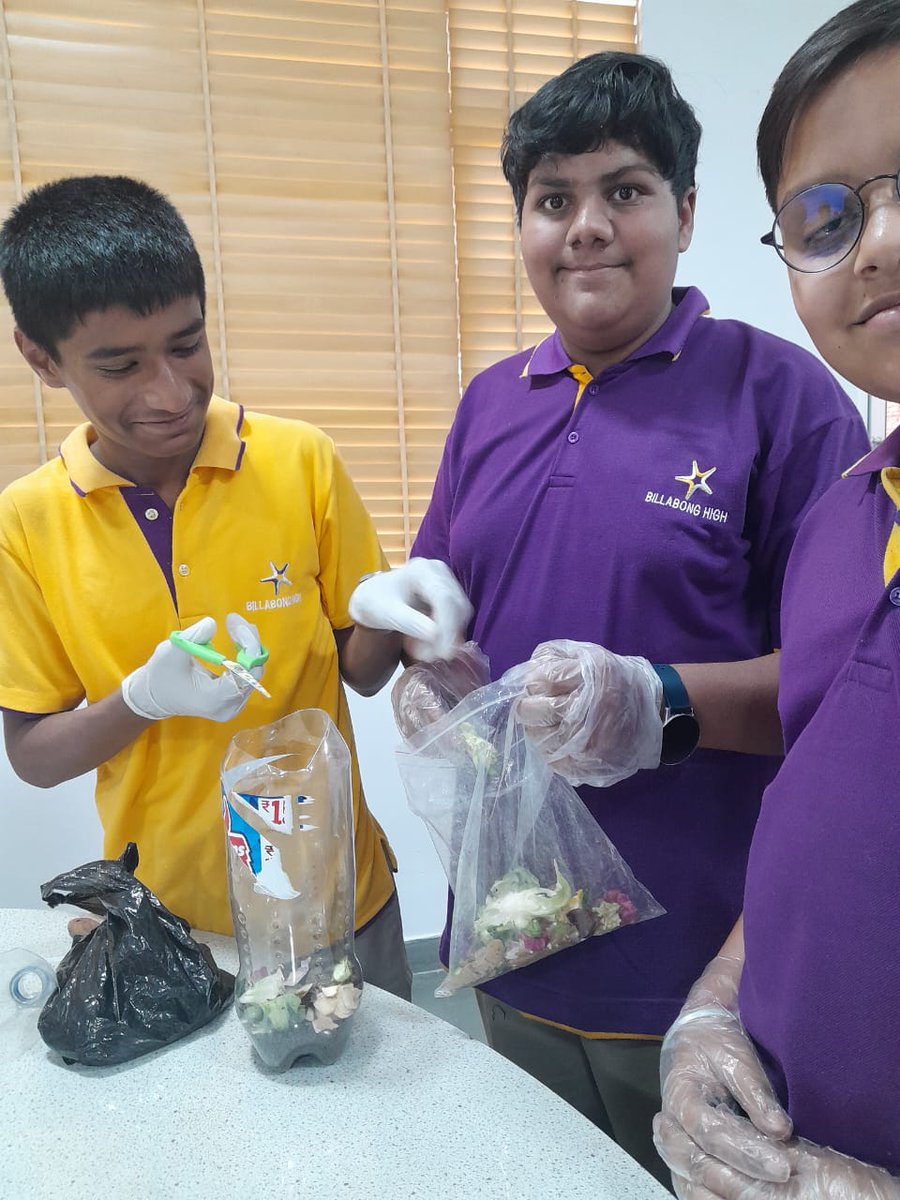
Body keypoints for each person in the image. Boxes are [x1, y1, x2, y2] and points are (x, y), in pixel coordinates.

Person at [405, 52, 870, 1184]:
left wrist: (655, 702)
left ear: (688, 211)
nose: (587, 229)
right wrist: (430, 672)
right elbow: (439, 593)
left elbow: (842, 690)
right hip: (511, 940)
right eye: (552, 201)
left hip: (703, 967)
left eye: (624, 192)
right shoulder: (487, 404)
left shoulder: (781, 399)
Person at [0, 174, 471, 1001]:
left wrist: (386, 609)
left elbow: (359, 672)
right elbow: (34, 756)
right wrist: (141, 700)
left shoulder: (299, 462)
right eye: (120, 365)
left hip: (339, 897)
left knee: (384, 1112)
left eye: (187, 344)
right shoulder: (27, 525)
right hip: (176, 919)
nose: (171, 392)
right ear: (41, 357)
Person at [653, 2, 900, 1196]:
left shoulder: (773, 405)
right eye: (828, 215)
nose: (880, 245)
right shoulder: (849, 516)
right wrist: (715, 1008)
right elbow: (825, 791)